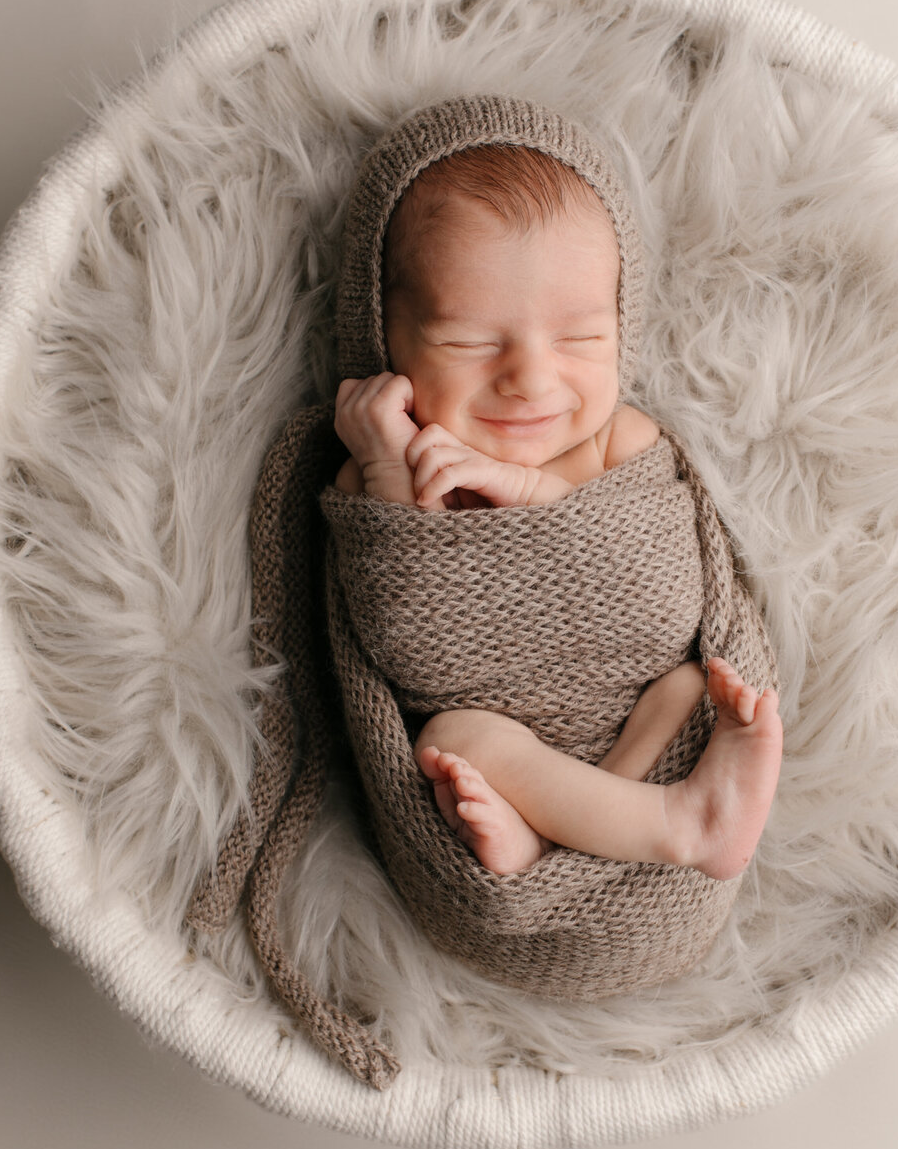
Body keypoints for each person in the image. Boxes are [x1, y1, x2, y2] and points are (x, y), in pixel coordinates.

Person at [330, 139, 783, 882]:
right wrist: (385, 461)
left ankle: (599, 831)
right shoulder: (385, 472)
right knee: (455, 738)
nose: (532, 379)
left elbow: (660, 598)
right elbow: (414, 643)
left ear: (622, 328)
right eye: (470, 341)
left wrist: (528, 493)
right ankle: (661, 827)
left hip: (641, 742)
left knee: (692, 687)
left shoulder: (619, 443)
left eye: (580, 338)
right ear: (385, 337)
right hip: (497, 750)